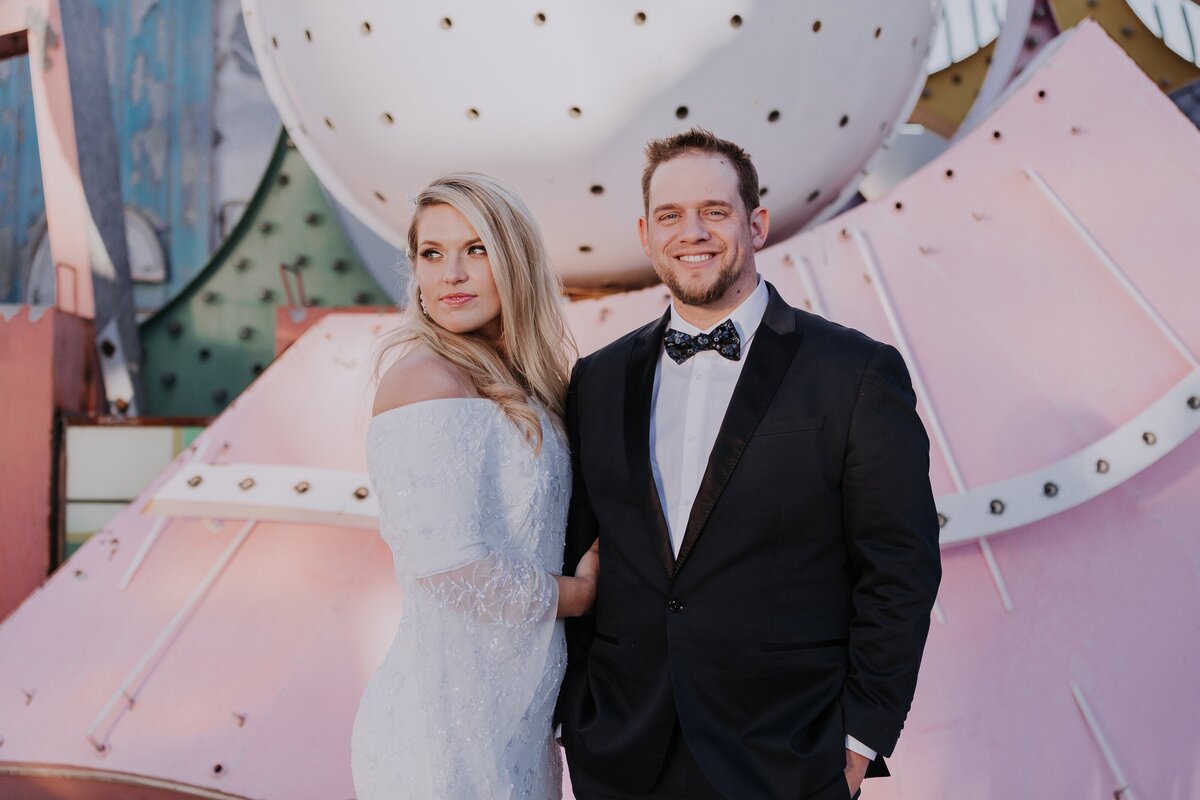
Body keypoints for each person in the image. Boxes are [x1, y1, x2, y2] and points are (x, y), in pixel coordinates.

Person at [557, 129, 942, 800]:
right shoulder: (597, 380)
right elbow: (577, 546)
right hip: (624, 751)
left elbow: (899, 567)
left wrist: (857, 741)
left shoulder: (854, 374)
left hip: (789, 752)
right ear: (646, 235)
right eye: (671, 216)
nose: (692, 232)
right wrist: (579, 714)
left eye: (715, 210)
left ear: (756, 224)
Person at [351, 172, 597, 800]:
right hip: (442, 729)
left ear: (515, 259)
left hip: (517, 719)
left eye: (476, 249)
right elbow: (448, 566)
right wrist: (579, 595)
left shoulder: (530, 383)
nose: (451, 274)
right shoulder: (423, 380)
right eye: (432, 254)